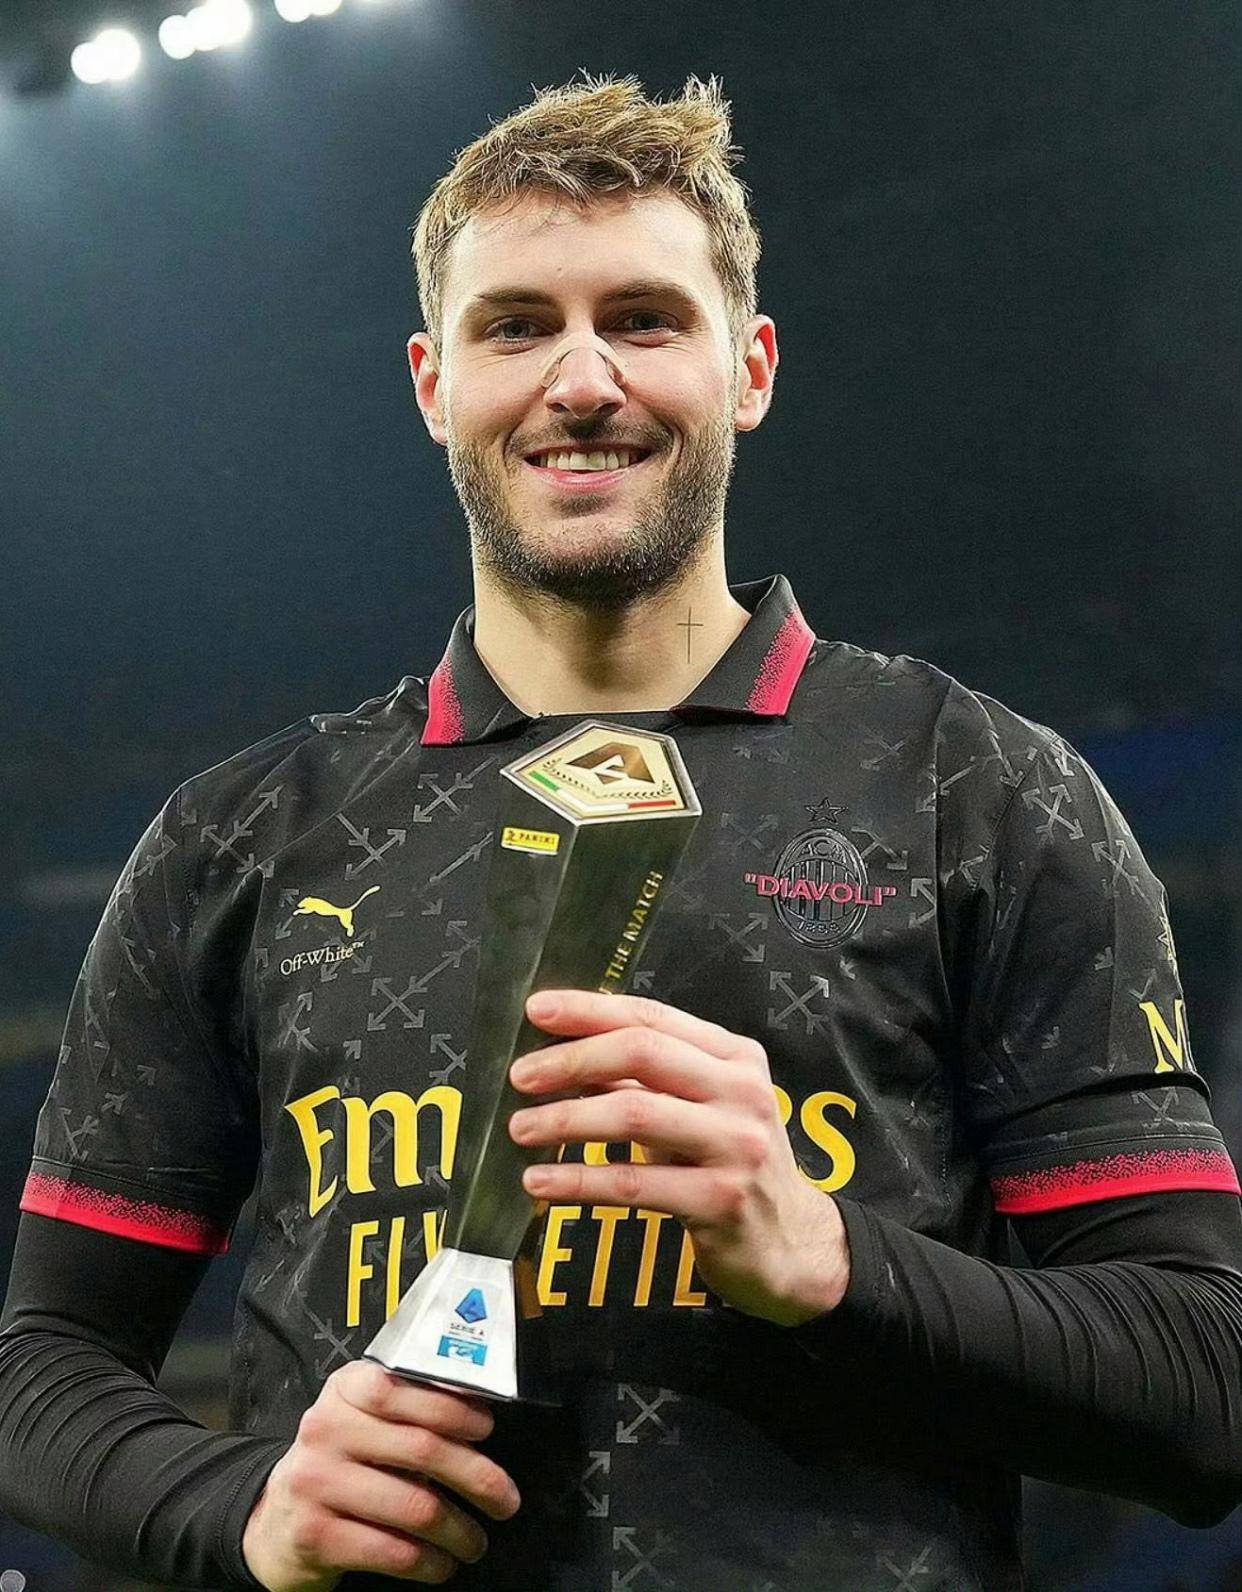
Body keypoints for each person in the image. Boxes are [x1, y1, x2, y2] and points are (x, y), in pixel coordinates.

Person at [2, 69, 1241, 1592]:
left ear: (749, 368)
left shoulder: (979, 789)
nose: (580, 380)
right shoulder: (238, 838)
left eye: (644, 320)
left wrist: (831, 1257)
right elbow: (42, 1363)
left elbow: (1205, 1377)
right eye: (515, 326)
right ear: (432, 384)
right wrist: (235, 1503)